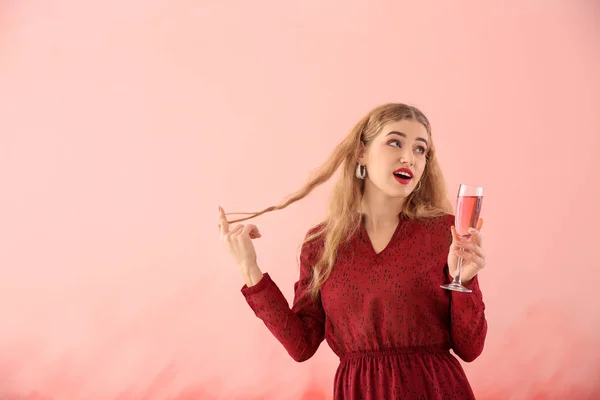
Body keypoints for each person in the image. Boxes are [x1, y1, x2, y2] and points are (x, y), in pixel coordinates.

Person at [218, 103, 488, 399]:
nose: (408, 157)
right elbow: (301, 345)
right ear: (361, 153)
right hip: (360, 391)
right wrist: (249, 268)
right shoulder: (320, 244)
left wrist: (464, 281)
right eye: (395, 142)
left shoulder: (445, 233)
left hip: (436, 390)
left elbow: (470, 349)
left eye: (420, 149)